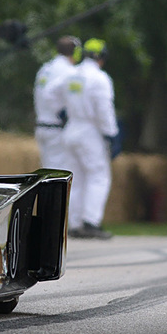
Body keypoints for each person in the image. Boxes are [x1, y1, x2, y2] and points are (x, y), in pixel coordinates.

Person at [64, 37, 118, 240]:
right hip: (90, 131)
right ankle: (91, 222)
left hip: (71, 128)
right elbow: (104, 110)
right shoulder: (100, 78)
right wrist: (111, 134)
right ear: (101, 57)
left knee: (76, 179)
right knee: (98, 176)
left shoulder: (72, 75)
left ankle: (75, 224)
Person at [33, 37, 80, 170]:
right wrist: (63, 113)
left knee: (46, 170)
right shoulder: (68, 71)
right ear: (76, 53)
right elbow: (50, 95)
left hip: (41, 126)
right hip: (56, 128)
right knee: (57, 173)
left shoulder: (45, 68)